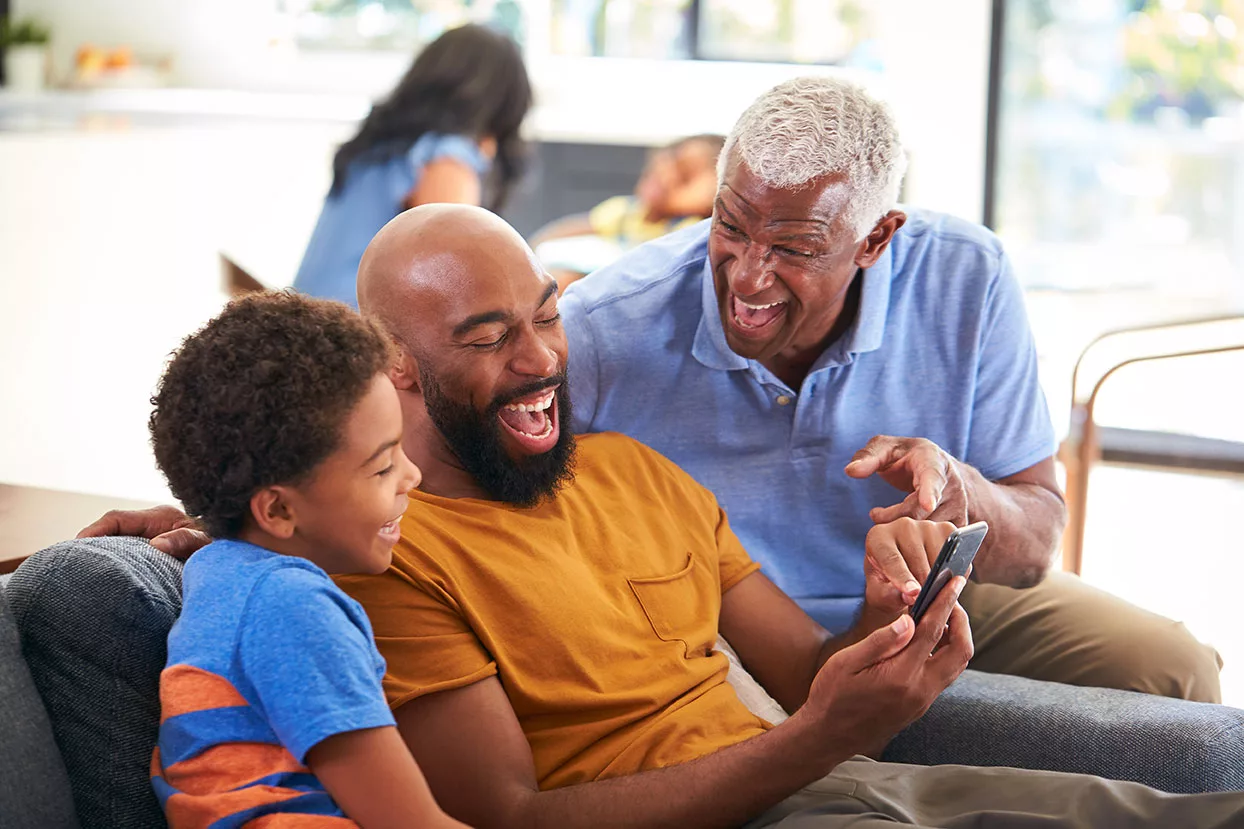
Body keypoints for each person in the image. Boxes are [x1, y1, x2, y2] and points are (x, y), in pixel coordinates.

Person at [89, 205, 1244, 828]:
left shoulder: (636, 473)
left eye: (546, 317)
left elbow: (803, 672)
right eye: (490, 340)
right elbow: (503, 817)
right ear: (391, 364)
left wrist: (888, 622)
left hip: (834, 785)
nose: (542, 360)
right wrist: (201, 527)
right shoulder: (383, 558)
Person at [557, 75, 1222, 702]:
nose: (749, 277)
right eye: (729, 226)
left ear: (876, 237)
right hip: (705, 623)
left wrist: (963, 491)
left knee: (1174, 669)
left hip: (932, 593)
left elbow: (1036, 545)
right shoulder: (603, 326)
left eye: (794, 247)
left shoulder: (966, 276)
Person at [146, 291, 463, 828]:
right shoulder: (294, 608)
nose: (412, 476)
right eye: (383, 466)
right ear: (277, 508)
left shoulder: (219, 570)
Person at [292, 23, 532, 308]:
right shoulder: (446, 157)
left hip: (307, 319)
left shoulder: (376, 145)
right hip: (357, 331)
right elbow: (461, 271)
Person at [532, 134, 725, 292]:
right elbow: (565, 231)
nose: (666, 175)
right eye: (663, 163)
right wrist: (529, 256)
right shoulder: (626, 212)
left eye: (684, 176)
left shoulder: (690, 231)